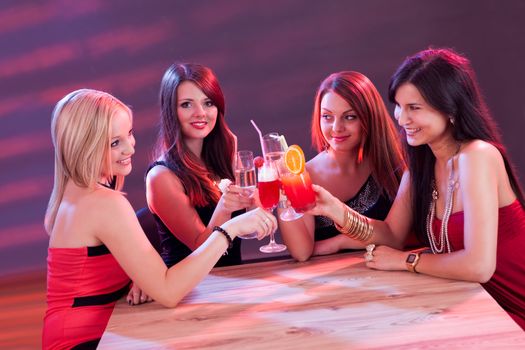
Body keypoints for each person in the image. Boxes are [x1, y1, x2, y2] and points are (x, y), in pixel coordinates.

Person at [306, 48, 525, 329]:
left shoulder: (477, 156)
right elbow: (392, 235)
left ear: (450, 109)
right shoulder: (422, 164)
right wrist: (335, 209)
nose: (401, 118)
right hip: (477, 307)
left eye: (414, 108)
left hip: (513, 310)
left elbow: (478, 266)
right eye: (398, 105)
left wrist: (405, 261)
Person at [42, 89, 276, 349]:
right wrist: (230, 229)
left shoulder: (74, 194)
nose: (130, 147)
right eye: (114, 143)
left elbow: (93, 273)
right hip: (85, 341)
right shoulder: (105, 203)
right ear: (84, 147)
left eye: (128, 134)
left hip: (84, 333)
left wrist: (138, 277)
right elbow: (169, 292)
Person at [279, 71, 406, 261]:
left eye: (350, 117)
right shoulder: (302, 175)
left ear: (369, 118)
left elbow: (398, 238)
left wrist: (339, 242)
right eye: (327, 117)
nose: (337, 128)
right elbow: (302, 252)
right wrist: (283, 193)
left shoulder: (390, 164)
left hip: (391, 279)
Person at [144, 63, 253, 270]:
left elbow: (246, 231)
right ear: (171, 111)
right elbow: (203, 250)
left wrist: (261, 199)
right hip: (191, 291)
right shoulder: (161, 176)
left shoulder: (222, 158)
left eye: (208, 103)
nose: (200, 113)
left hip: (234, 281)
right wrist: (225, 206)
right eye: (187, 104)